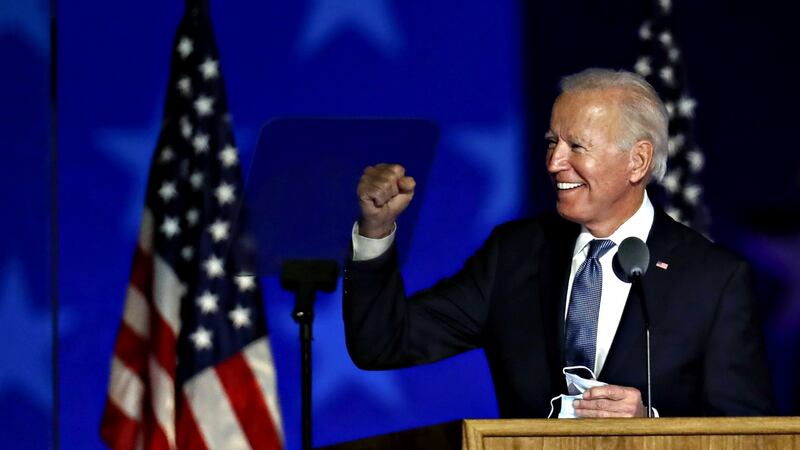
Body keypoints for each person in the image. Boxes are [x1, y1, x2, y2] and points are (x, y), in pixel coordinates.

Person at [343, 68, 774, 418]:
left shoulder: (714, 280)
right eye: (552, 142)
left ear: (637, 160)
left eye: (576, 146)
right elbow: (384, 343)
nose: (554, 163)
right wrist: (376, 231)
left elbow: (750, 435)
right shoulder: (513, 254)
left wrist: (653, 427)